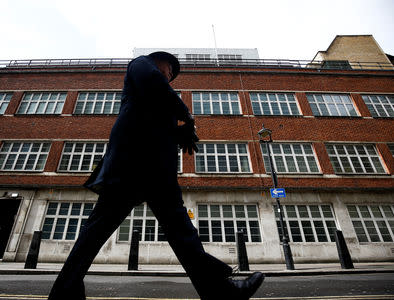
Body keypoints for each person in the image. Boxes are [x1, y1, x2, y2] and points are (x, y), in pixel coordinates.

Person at [48, 51, 265, 300]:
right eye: (169, 68)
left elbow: (154, 122)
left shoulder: (156, 97)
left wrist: (178, 134)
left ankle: (220, 292)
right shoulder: (141, 65)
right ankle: (65, 290)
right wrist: (186, 114)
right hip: (131, 164)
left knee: (179, 230)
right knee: (101, 229)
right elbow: (153, 84)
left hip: (154, 169)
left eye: (173, 73)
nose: (170, 73)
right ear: (156, 60)